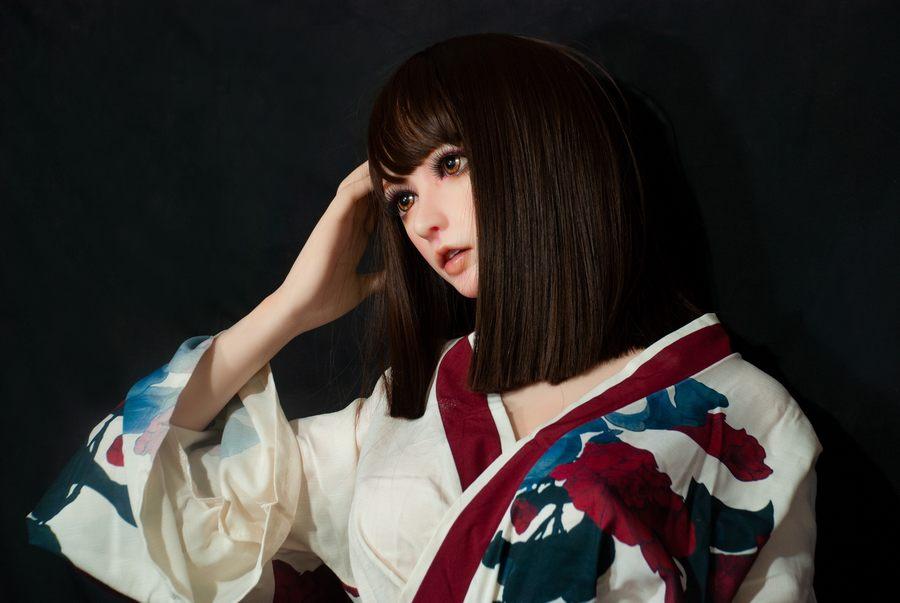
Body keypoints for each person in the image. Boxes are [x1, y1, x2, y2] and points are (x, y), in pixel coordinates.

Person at [26, 33, 821, 602]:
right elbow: (132, 477)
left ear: (546, 150)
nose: (424, 220)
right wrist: (288, 308)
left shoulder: (738, 414)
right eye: (401, 195)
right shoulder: (406, 409)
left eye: (452, 163)